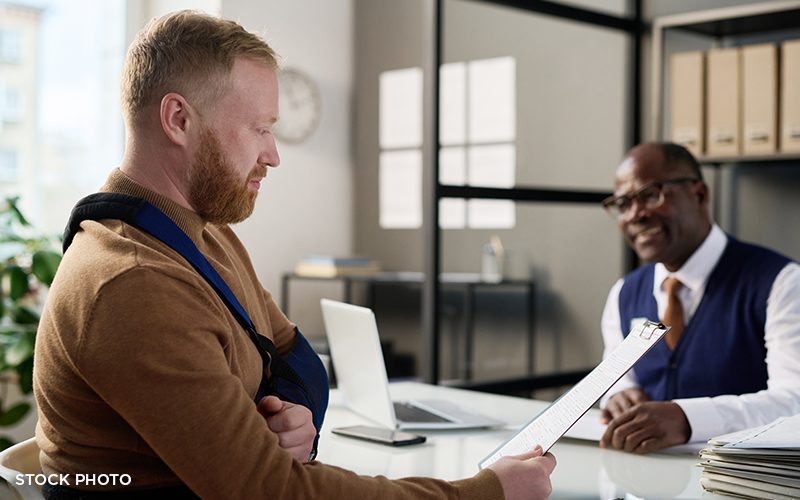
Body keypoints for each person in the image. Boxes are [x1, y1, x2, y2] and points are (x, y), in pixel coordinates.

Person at [32, 10, 556, 499]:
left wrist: (294, 412)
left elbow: (295, 353)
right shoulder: (134, 282)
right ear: (178, 119)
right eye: (259, 128)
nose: (273, 155)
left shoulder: (206, 238)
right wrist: (486, 492)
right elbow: (273, 491)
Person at [598, 142, 800, 454]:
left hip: (741, 480)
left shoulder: (781, 283)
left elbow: (795, 401)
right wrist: (619, 394)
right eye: (623, 204)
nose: (636, 214)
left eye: (651, 194)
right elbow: (618, 380)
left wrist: (688, 418)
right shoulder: (624, 293)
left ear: (700, 194)